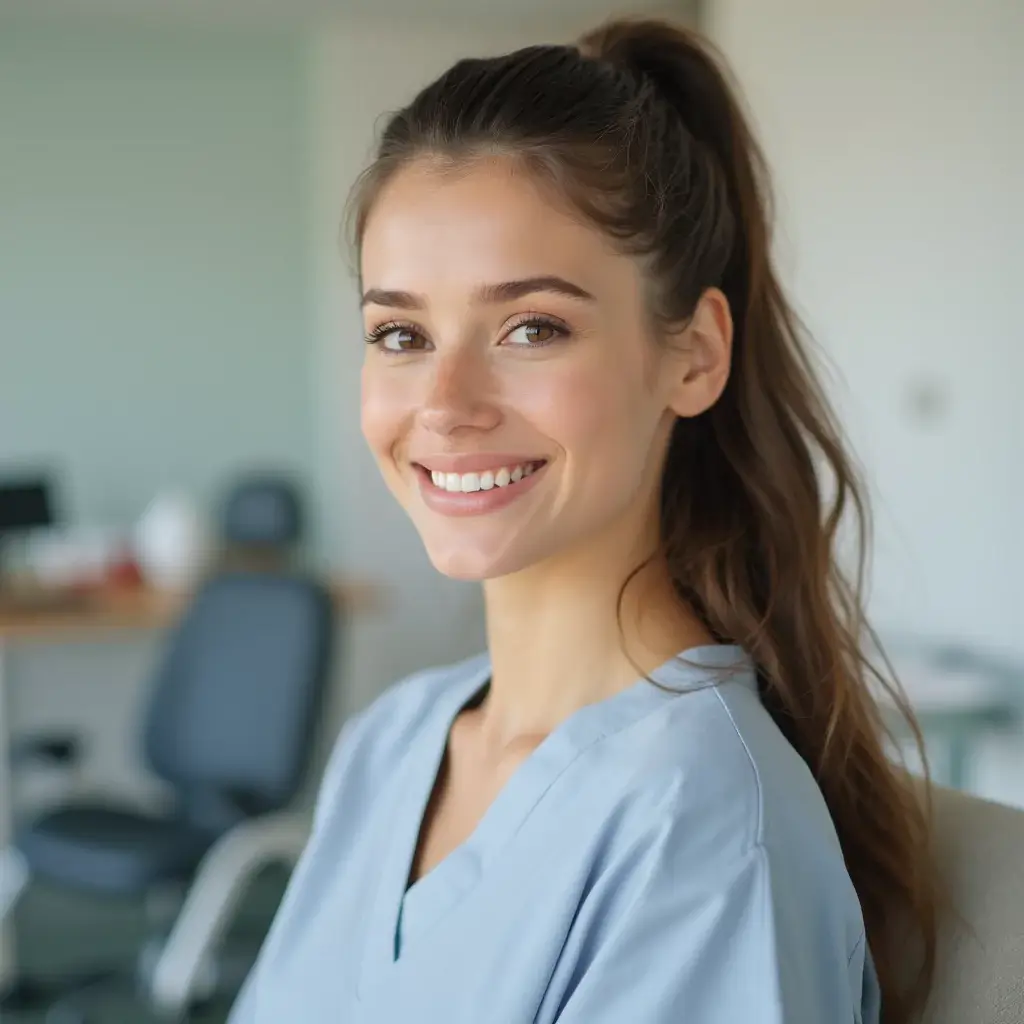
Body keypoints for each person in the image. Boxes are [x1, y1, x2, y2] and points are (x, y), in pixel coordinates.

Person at [229, 17, 939, 1024]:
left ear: (692, 356)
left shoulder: (700, 821)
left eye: (531, 327)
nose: (444, 401)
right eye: (399, 333)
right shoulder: (389, 742)